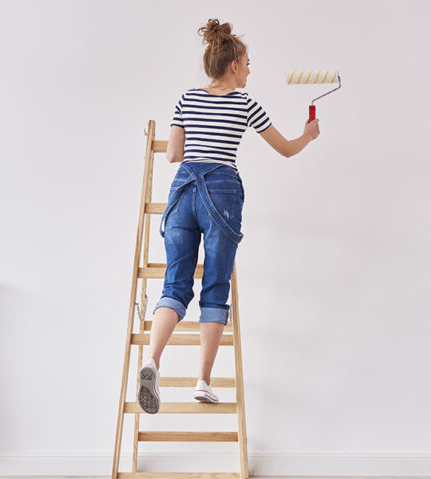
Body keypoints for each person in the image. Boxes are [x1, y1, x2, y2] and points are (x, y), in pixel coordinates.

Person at [137, 18, 320, 414]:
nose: (251, 70)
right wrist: (308, 134)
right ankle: (203, 381)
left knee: (175, 283)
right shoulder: (245, 103)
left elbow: (171, 155)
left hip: (182, 190)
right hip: (221, 189)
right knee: (215, 286)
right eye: (249, 63)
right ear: (234, 65)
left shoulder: (186, 98)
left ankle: (152, 361)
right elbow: (286, 149)